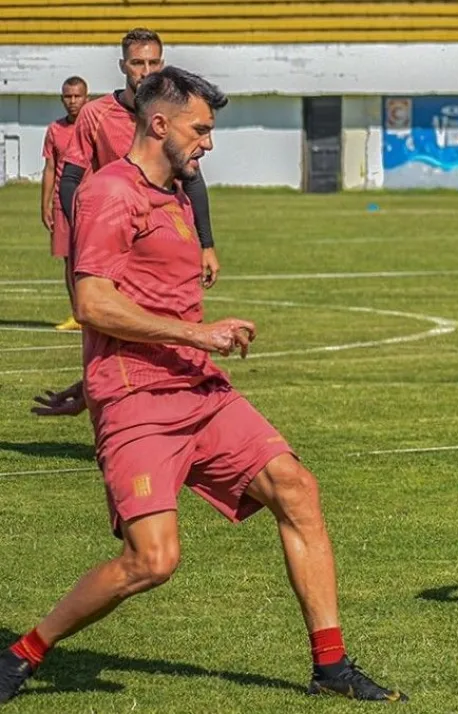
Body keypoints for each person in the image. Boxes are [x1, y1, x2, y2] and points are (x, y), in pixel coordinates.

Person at [0, 67, 407, 705]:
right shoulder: (110, 193)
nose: (208, 143)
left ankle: (331, 666)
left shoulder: (178, 195)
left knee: (297, 489)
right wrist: (191, 339)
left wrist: (93, 375)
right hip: (139, 399)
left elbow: (144, 297)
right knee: (152, 561)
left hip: (197, 387)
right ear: (158, 124)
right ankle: (22, 654)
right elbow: (92, 302)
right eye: (201, 129)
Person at [59, 27, 221, 290]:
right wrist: (87, 227)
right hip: (119, 232)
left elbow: (193, 180)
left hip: (170, 233)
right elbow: (70, 180)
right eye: (137, 63)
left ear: (162, 64)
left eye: (153, 62)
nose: (146, 71)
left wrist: (207, 244)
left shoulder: (174, 113)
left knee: (176, 312)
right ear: (123, 66)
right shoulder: (95, 114)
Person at [41, 75, 88, 331]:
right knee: (69, 261)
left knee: (94, 259)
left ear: (86, 98)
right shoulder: (55, 130)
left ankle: (99, 311)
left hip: (91, 202)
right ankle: (77, 315)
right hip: (63, 204)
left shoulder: (93, 127)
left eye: (77, 96)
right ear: (62, 99)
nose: (72, 101)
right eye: (68, 97)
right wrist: (45, 204)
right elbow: (49, 168)